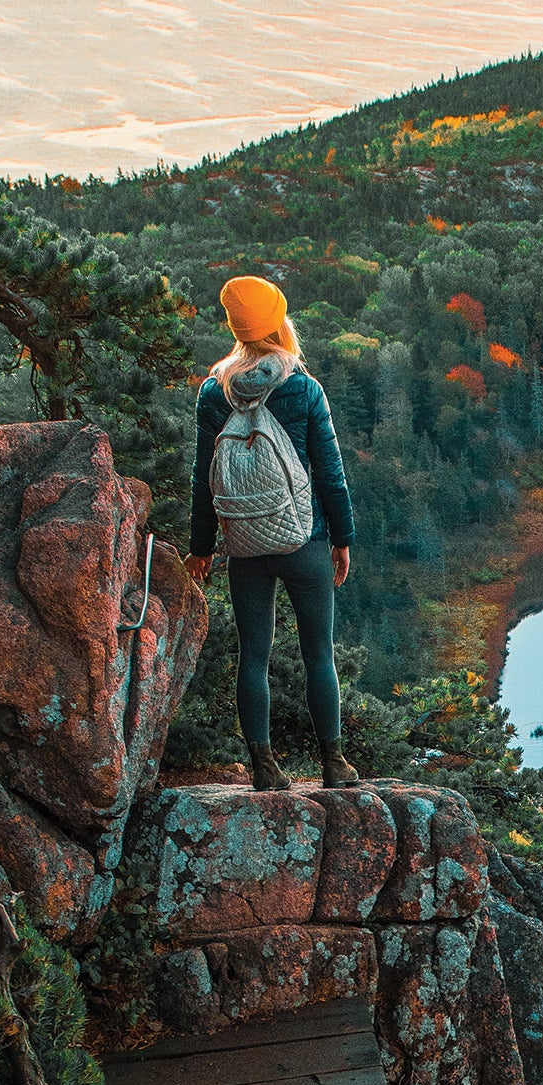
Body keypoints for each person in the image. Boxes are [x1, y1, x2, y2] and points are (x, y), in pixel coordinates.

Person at [185, 275, 360, 793]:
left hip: (246, 547)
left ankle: (263, 768)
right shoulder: (303, 389)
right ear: (279, 324)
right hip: (305, 541)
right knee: (318, 654)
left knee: (254, 655)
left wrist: (202, 549)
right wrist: (342, 539)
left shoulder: (214, 394)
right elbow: (330, 472)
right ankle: (333, 764)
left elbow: (204, 476)